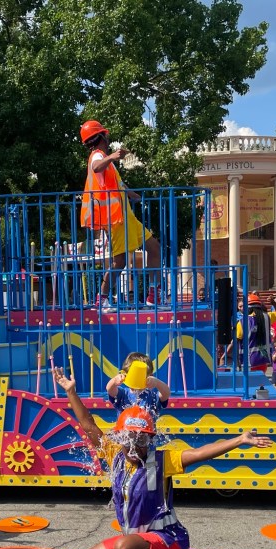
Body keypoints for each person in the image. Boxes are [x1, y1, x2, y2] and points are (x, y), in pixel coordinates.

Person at [54, 367, 273, 549]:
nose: (134, 446)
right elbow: (88, 425)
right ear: (119, 438)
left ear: (151, 438)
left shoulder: (162, 461)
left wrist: (239, 440)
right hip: (142, 547)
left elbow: (200, 453)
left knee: (124, 547)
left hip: (170, 543)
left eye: (142, 439)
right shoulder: (114, 456)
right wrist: (71, 392)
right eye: (128, 440)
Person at [79, 120, 163, 309]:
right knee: (120, 261)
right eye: (105, 134)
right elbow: (96, 167)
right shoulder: (97, 155)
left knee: (154, 248)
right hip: (115, 219)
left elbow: (117, 185)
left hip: (127, 217)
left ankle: (153, 295)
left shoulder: (106, 160)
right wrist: (113, 157)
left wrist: (134, 195)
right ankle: (102, 298)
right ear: (100, 137)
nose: (108, 137)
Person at [106, 352, 170, 415]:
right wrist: (114, 381)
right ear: (125, 375)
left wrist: (157, 382)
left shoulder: (152, 397)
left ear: (150, 377)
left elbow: (166, 394)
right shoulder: (122, 394)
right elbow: (109, 389)